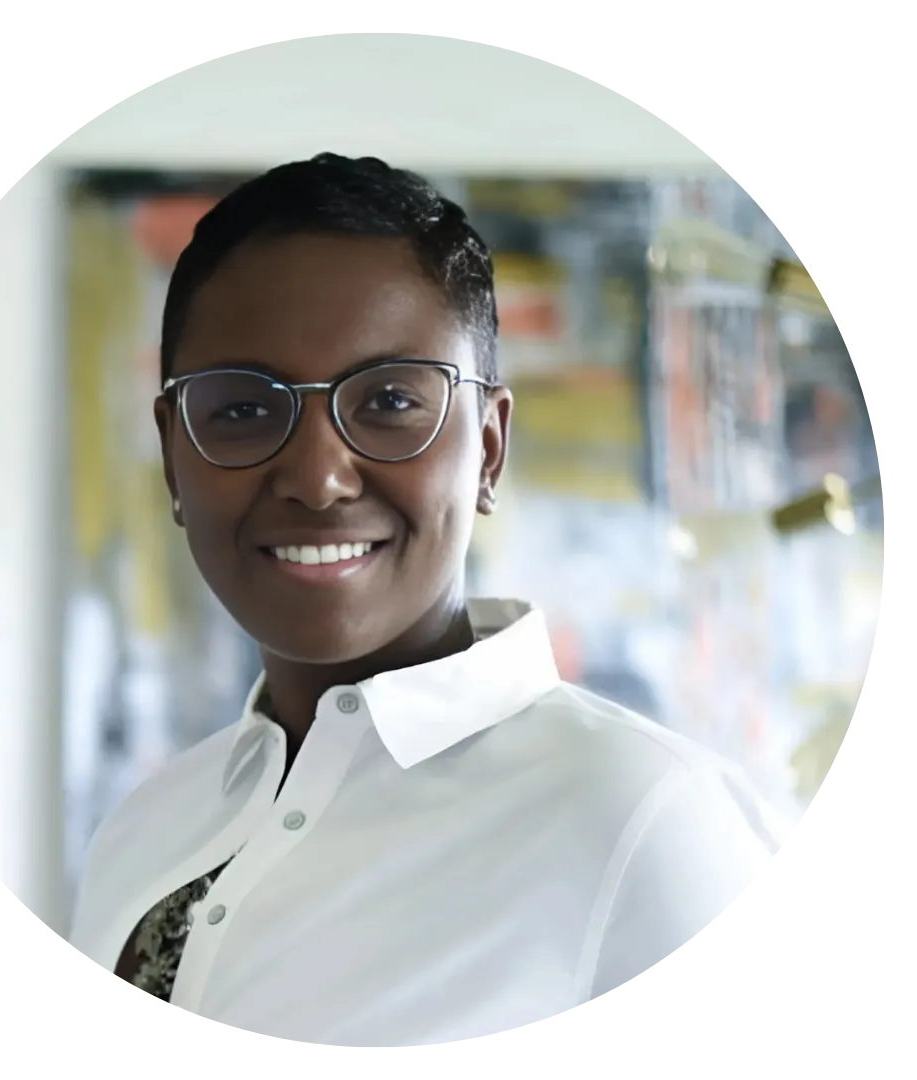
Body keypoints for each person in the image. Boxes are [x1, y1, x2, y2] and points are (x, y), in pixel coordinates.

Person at [69, 154, 792, 1043]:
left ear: (488, 449)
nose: (318, 477)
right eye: (245, 411)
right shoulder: (143, 832)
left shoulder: (645, 822)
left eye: (389, 401)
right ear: (175, 455)